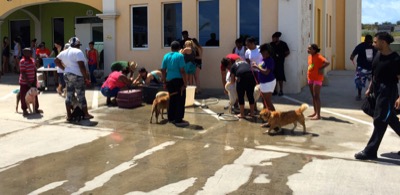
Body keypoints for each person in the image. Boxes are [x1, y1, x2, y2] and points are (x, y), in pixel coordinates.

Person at [355, 32, 400, 160]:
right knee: (389, 118)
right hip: (377, 89)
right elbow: (374, 73)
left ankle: (370, 151)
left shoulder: (395, 59)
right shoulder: (378, 55)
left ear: (383, 43)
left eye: (375, 42)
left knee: (380, 120)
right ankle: (371, 149)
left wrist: (399, 97)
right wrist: (370, 88)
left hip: (388, 91)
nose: (373, 44)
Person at [55, 37, 93, 122]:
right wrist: (86, 78)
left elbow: (56, 61)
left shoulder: (64, 52)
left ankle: (69, 116)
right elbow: (82, 66)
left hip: (67, 75)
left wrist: (64, 69)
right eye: (79, 45)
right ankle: (86, 114)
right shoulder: (78, 52)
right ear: (77, 45)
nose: (79, 47)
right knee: (81, 96)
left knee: (69, 95)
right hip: (77, 76)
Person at [161, 41, 189, 127]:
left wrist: (164, 82)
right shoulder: (180, 56)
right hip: (178, 81)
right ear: (179, 48)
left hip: (169, 81)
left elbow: (163, 70)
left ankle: (171, 118)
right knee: (180, 100)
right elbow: (182, 70)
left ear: (171, 48)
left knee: (172, 99)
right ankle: (178, 120)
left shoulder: (166, 56)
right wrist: (185, 82)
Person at [350, 34, 377, 101]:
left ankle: (359, 95)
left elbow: (352, 55)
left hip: (361, 68)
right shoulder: (374, 47)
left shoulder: (360, 46)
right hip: (372, 68)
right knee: (373, 82)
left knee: (359, 82)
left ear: (364, 39)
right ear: (371, 40)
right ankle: (372, 95)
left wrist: (352, 58)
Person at [307, 44, 330, 120]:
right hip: (311, 78)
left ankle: (318, 115)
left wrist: (321, 68)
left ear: (314, 50)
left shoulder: (319, 56)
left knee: (316, 96)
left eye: (310, 49)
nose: (308, 50)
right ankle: (315, 112)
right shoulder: (310, 57)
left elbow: (327, 62)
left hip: (317, 78)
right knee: (313, 96)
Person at [251, 43, 276, 114]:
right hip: (263, 82)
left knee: (268, 102)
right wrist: (256, 65)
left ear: (268, 52)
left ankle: (276, 119)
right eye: (261, 52)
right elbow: (261, 67)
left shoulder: (270, 60)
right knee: (264, 101)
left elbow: (266, 72)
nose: (262, 54)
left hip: (268, 82)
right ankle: (268, 119)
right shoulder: (263, 58)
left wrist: (257, 67)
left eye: (263, 52)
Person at [19, 48, 41, 116]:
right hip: (24, 83)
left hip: (32, 81)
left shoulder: (32, 60)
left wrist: (34, 80)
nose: (30, 53)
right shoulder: (22, 61)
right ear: (24, 53)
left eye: (31, 52)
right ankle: (24, 110)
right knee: (24, 96)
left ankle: (36, 108)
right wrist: (28, 82)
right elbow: (23, 73)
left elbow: (34, 70)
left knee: (35, 94)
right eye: (29, 52)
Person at [270, 32, 290, 96]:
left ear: (277, 38)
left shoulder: (283, 44)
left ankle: (281, 90)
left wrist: (282, 57)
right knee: (274, 77)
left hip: (280, 63)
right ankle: (275, 90)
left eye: (274, 38)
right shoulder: (271, 44)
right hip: (273, 63)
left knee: (280, 77)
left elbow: (287, 52)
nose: (272, 39)